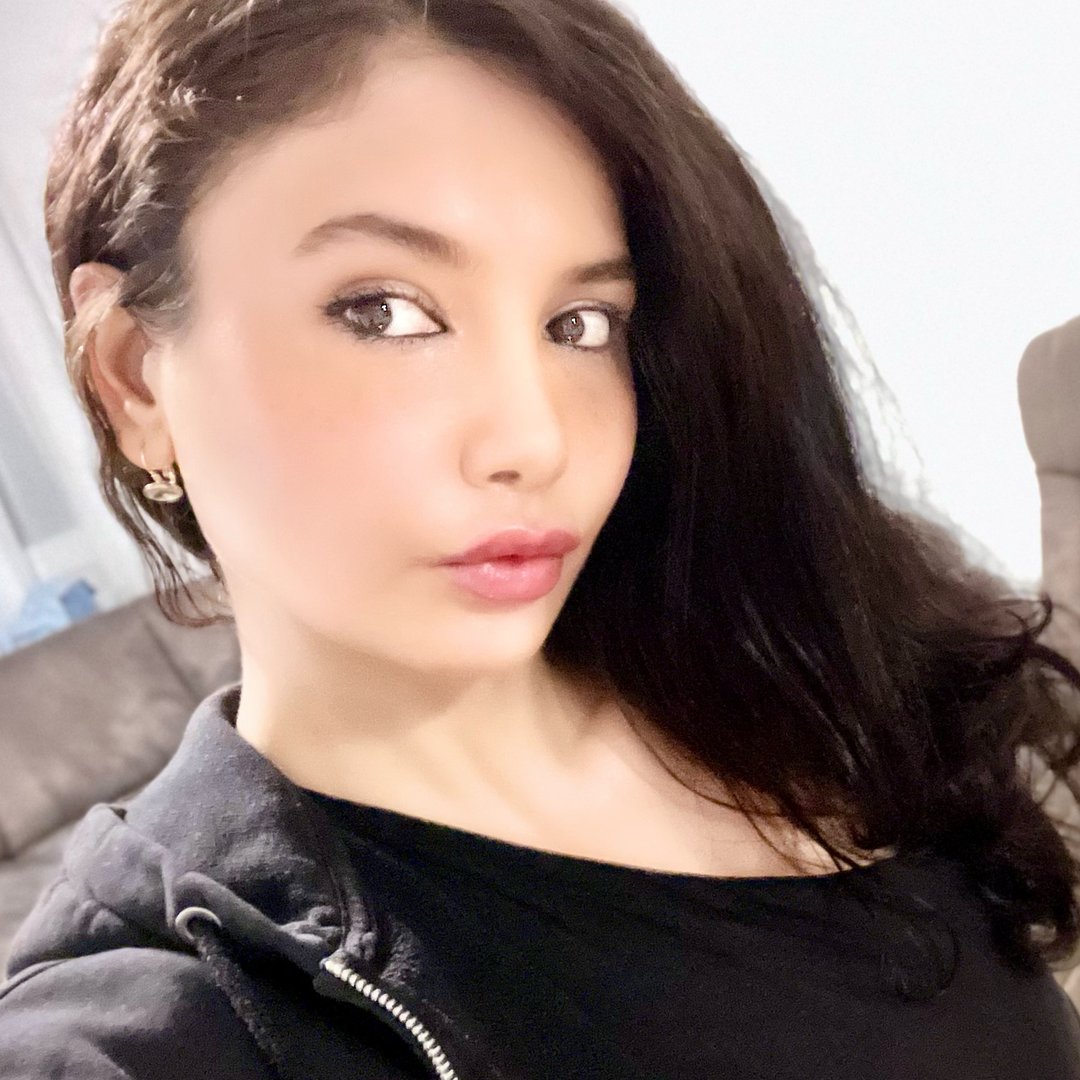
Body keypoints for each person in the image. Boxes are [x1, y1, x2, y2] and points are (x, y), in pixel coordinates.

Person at [2, 0, 1079, 1076]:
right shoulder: (151, 1028)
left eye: (581, 325)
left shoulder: (784, 670)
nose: (536, 437)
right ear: (135, 376)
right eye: (383, 310)